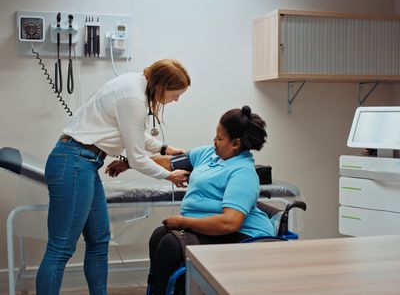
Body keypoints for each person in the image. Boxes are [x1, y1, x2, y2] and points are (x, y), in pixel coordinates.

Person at [36, 59, 191, 295]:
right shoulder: (134, 98)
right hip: (74, 162)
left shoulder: (134, 85)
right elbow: (138, 158)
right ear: (161, 86)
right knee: (61, 248)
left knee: (99, 240)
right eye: (175, 94)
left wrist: (165, 149)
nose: (176, 100)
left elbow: (133, 132)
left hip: (83, 164)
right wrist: (170, 175)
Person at [148, 106, 275, 295]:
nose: (214, 142)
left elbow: (230, 223)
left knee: (170, 245)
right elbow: (169, 162)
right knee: (159, 235)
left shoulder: (243, 173)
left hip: (246, 238)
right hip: (218, 229)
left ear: (235, 144)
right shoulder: (209, 154)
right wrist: (131, 162)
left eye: (220, 138)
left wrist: (183, 222)